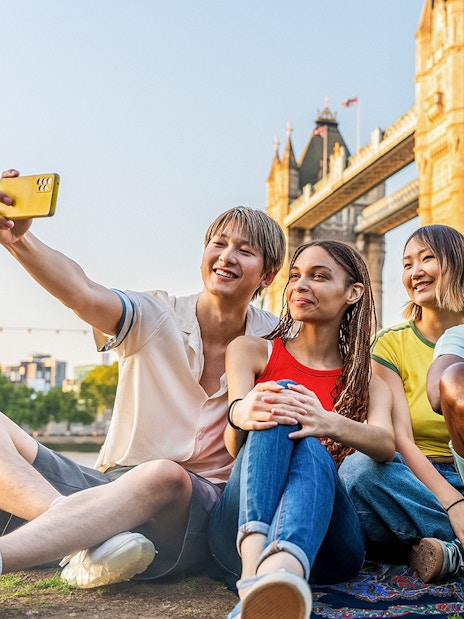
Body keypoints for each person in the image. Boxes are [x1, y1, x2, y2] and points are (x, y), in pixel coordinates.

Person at [0, 168, 286, 588]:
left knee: (163, 474)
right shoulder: (155, 314)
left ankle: (25, 550)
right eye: (218, 244)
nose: (226, 256)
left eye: (244, 250)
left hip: (200, 509)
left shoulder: (279, 340)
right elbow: (81, 291)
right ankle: (87, 536)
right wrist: (18, 239)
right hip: (111, 486)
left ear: (268, 276)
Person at [209, 240, 395, 619]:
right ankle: (260, 579)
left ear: (353, 293)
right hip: (239, 527)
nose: (299, 285)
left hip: (329, 542)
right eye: (295, 276)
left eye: (319, 276)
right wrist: (242, 412)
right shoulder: (250, 350)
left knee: (308, 439)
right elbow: (234, 448)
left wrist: (325, 421)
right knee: (281, 397)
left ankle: (271, 579)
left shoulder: (368, 379)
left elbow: (386, 445)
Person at [339, 224, 464, 584]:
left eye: (428, 258)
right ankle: (450, 536)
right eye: (407, 264)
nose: (415, 272)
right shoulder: (389, 344)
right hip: (415, 481)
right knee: (358, 473)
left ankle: (443, 550)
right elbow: (401, 439)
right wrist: (453, 503)